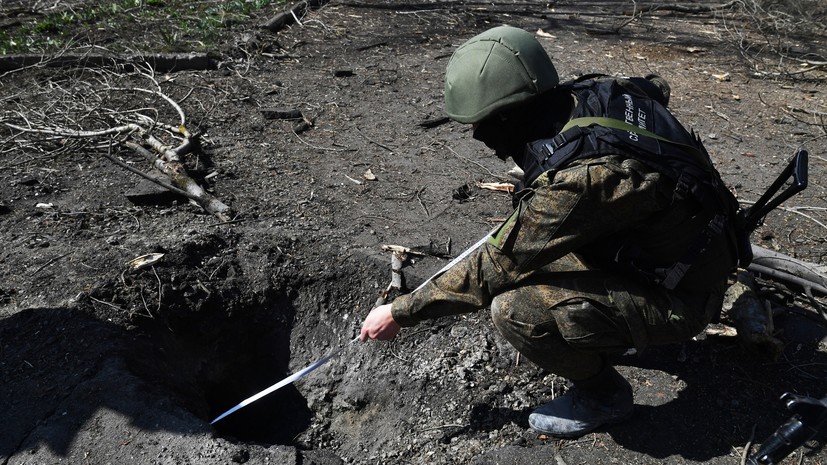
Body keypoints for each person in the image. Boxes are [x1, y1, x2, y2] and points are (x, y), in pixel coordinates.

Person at [359, 25, 745, 438]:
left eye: (486, 122)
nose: (479, 135)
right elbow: (657, 90)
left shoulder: (585, 180)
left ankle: (603, 396)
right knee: (536, 262)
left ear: (511, 112)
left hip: (683, 294)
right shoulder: (597, 93)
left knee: (515, 310)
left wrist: (400, 312)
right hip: (690, 250)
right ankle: (611, 326)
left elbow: (496, 265)